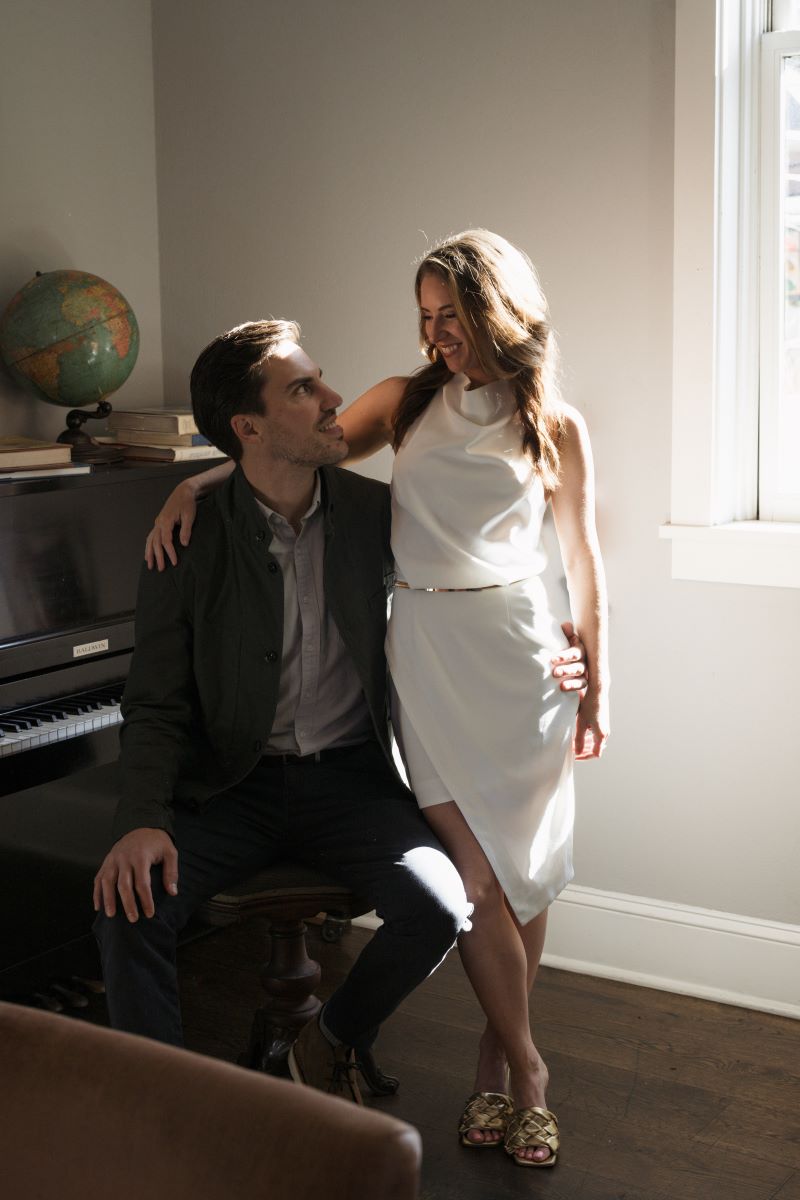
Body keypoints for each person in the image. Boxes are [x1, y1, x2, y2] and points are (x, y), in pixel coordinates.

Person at [145, 230, 606, 1169]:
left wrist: (599, 685)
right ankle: (534, 1071)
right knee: (472, 882)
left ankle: (494, 1066)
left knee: (523, 878)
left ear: (497, 310)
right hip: (430, 660)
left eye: (452, 316)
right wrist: (191, 483)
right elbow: (285, 451)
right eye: (425, 317)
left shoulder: (554, 424)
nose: (437, 335)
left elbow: (586, 565)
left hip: (523, 664)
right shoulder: (405, 402)